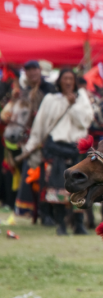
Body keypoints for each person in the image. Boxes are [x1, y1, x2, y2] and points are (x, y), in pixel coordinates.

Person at [22, 68, 94, 235]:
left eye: (71, 79)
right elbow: (40, 124)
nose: (68, 82)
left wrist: (73, 105)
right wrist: (32, 146)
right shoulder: (50, 99)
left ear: (75, 82)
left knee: (80, 187)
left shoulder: (81, 97)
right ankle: (60, 223)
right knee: (56, 188)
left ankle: (78, 224)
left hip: (77, 149)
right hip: (55, 148)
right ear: (59, 81)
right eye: (65, 78)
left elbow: (86, 121)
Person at [2, 60, 54, 219]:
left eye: (34, 69)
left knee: (48, 177)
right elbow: (8, 115)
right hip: (30, 140)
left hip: (50, 138)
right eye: (28, 70)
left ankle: (48, 212)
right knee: (32, 176)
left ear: (39, 71)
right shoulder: (23, 91)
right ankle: (35, 211)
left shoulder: (50, 90)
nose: (32, 73)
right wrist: (13, 99)